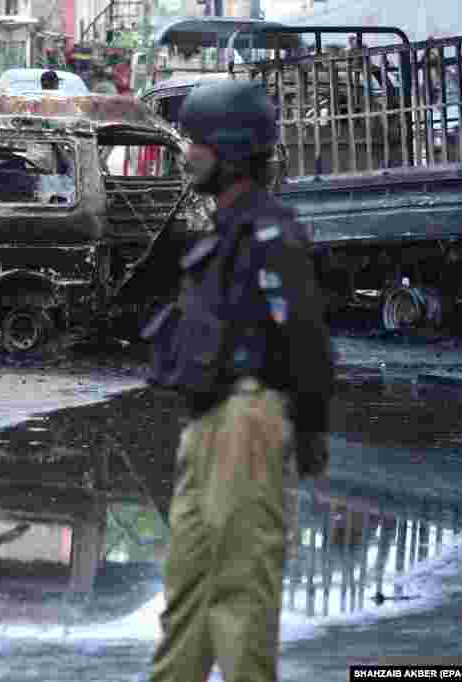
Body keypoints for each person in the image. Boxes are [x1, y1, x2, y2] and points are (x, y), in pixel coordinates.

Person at [142, 79, 335, 682]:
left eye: (195, 141)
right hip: (206, 424)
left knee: (241, 594)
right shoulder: (223, 228)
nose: (185, 153)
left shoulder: (270, 233)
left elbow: (306, 343)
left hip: (247, 422)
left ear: (227, 151)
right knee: (186, 596)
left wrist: (307, 432)